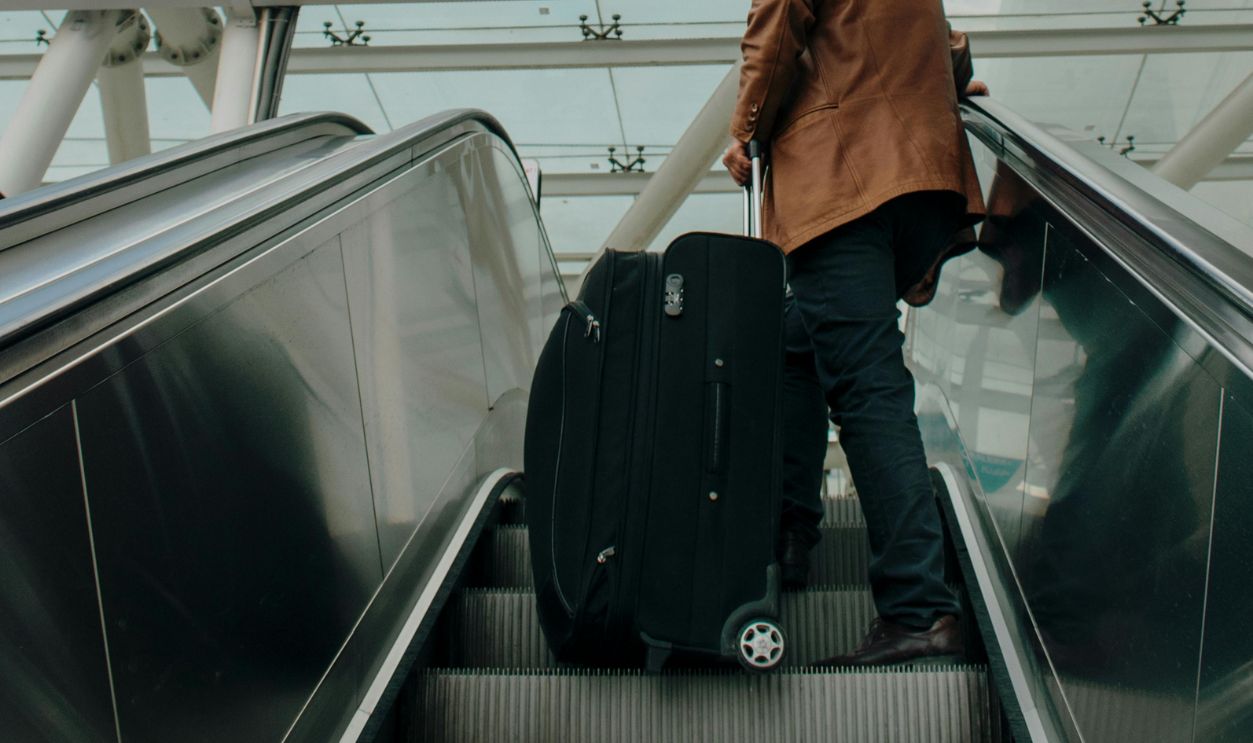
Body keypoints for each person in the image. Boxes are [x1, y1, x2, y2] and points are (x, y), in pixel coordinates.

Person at [724, 0, 987, 666]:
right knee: (797, 337)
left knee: (867, 391)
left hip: (842, 177)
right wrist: (955, 86)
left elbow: (773, 35)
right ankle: (791, 530)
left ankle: (917, 609)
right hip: (916, 177)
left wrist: (744, 134)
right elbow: (949, 47)